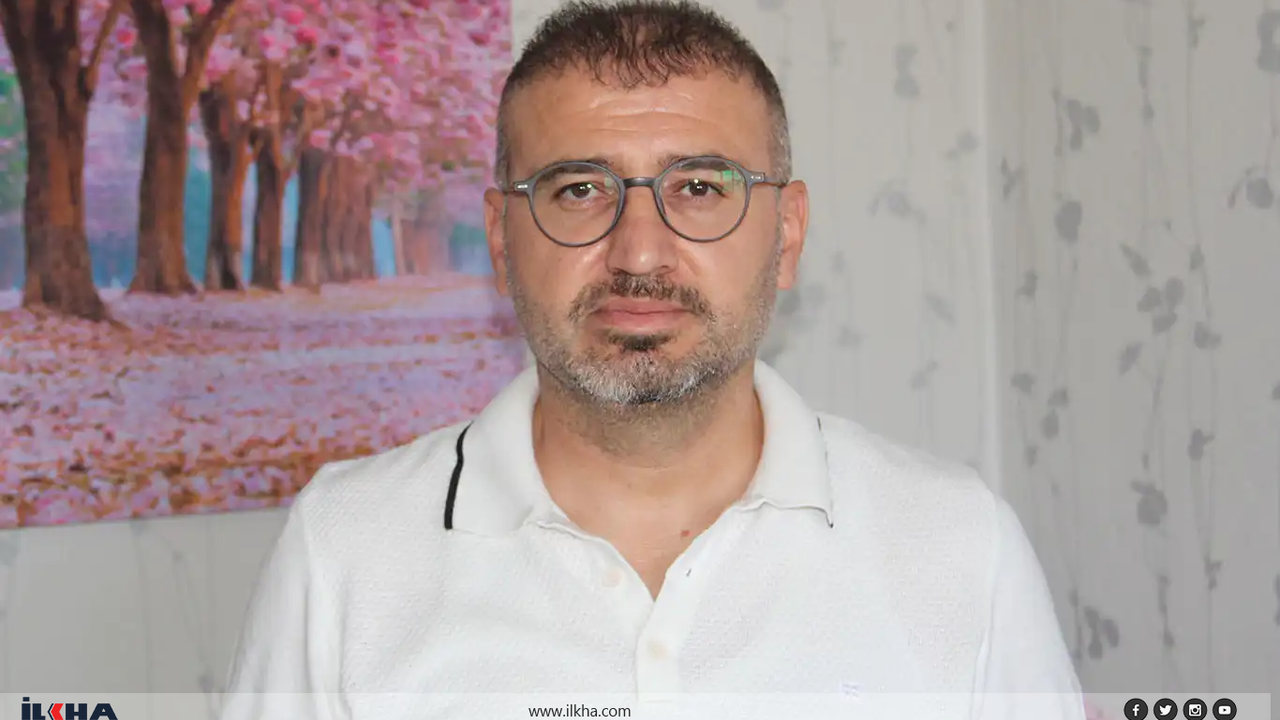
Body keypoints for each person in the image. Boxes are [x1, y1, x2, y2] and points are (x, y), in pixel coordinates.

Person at [217, 1, 1086, 718]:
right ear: (502, 240)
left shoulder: (958, 544)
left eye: (700, 188)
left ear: (786, 236)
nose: (639, 252)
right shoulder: (344, 551)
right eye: (580, 189)